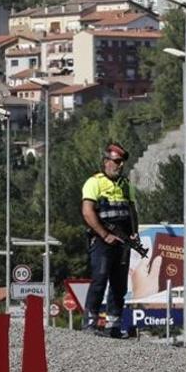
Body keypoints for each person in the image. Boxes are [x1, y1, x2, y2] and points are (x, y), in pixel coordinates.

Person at [81, 142, 141, 337]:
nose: (120, 165)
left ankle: (113, 325)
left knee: (119, 284)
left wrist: (134, 232)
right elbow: (88, 212)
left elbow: (132, 210)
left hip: (123, 241)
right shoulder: (94, 182)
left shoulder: (126, 185)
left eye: (122, 161)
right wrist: (104, 234)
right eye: (116, 161)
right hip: (102, 239)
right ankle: (90, 322)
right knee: (100, 278)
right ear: (106, 161)